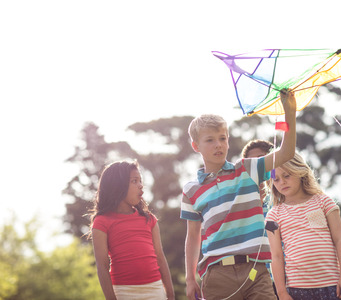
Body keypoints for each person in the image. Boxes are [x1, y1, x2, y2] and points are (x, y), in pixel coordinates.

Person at [181, 89, 297, 300]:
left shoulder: (247, 169)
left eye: (222, 138)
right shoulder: (191, 190)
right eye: (210, 140)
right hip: (216, 276)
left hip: (257, 271)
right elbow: (193, 236)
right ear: (195, 146)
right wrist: (190, 278)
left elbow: (286, 152)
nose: (218, 144)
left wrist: (289, 113)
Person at [266, 152, 341, 300]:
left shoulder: (323, 202)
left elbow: (340, 239)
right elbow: (276, 256)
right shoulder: (273, 216)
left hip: (333, 286)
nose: (282, 182)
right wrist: (281, 293)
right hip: (298, 291)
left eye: (287, 175)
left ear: (300, 172)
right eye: (276, 179)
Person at [89, 161, 175, 300]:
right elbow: (102, 266)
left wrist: (170, 295)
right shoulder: (101, 222)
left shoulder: (149, 219)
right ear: (117, 186)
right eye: (134, 181)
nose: (141, 185)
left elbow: (160, 257)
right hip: (123, 292)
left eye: (140, 181)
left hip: (155, 289)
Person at [242, 139, 278, 298]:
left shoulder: (284, 200)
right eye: (253, 161)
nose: (259, 165)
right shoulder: (241, 205)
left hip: (288, 278)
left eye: (263, 159)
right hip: (256, 282)